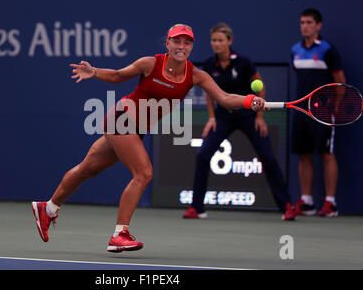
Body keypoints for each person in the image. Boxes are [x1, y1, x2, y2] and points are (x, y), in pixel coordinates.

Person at [31, 24, 266, 252]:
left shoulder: (196, 75)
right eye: (176, 41)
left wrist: (249, 101)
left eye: (186, 42)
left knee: (87, 169)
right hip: (122, 118)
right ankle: (119, 234)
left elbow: (224, 98)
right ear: (167, 43)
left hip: (137, 127)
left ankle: (48, 208)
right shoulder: (150, 63)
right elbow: (117, 76)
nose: (181, 46)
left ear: (191, 47)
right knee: (143, 174)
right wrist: (95, 72)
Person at [183, 23, 296, 221]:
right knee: (202, 156)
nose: (216, 44)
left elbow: (260, 89)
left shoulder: (244, 62)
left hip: (247, 116)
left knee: (268, 157)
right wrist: (211, 117)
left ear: (229, 41)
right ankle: (197, 207)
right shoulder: (209, 64)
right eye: (213, 40)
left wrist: (260, 117)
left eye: (220, 40)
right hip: (223, 117)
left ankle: (286, 205)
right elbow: (210, 93)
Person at [291, 8, 346, 217]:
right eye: (302, 22)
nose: (305, 26)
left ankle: (330, 203)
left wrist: (335, 106)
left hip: (323, 110)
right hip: (300, 110)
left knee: (326, 154)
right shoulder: (295, 49)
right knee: (303, 155)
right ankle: (307, 202)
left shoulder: (327, 50)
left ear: (318, 25)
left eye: (309, 22)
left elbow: (340, 81)